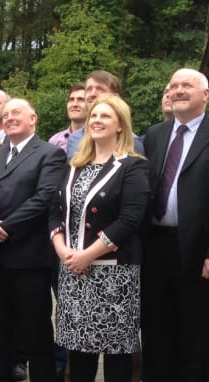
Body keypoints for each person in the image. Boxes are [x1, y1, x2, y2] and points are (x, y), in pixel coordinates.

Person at [141, 68, 209, 382]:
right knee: (156, 332)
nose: (178, 90)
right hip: (154, 247)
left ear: (206, 94)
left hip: (199, 253)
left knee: (195, 337)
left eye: (187, 85)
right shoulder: (155, 134)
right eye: (174, 86)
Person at [49, 95, 150, 382]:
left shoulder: (133, 166)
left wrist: (87, 255)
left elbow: (130, 220)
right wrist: (63, 251)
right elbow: (55, 211)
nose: (96, 121)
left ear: (120, 125)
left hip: (114, 274)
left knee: (116, 353)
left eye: (105, 116)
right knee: (78, 352)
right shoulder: (75, 165)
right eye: (94, 116)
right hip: (73, 271)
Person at [0, 99, 66, 382]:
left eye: (16, 112)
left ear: (34, 118)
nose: (9, 118)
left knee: (36, 332)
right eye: (5, 115)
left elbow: (44, 198)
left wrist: (4, 227)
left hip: (29, 257)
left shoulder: (50, 153)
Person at [48, 84, 87, 151]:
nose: (74, 104)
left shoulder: (97, 138)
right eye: (71, 100)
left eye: (81, 100)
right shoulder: (55, 141)